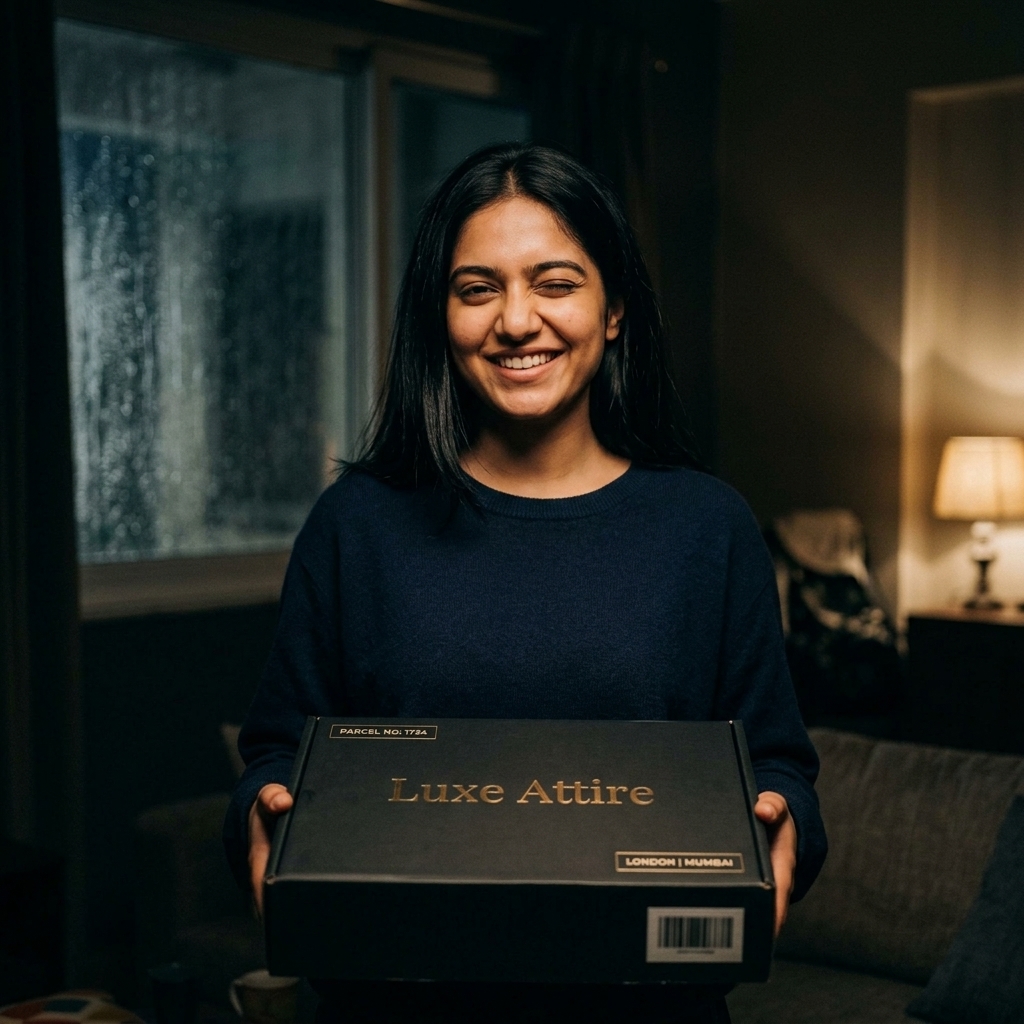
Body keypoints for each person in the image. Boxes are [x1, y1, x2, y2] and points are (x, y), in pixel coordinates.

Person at [224, 142, 827, 1023]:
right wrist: (260, 819)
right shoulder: (358, 523)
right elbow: (277, 754)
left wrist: (785, 831)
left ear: (614, 308)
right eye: (478, 290)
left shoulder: (708, 527)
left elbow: (778, 765)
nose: (515, 321)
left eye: (555, 283)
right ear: (443, 316)